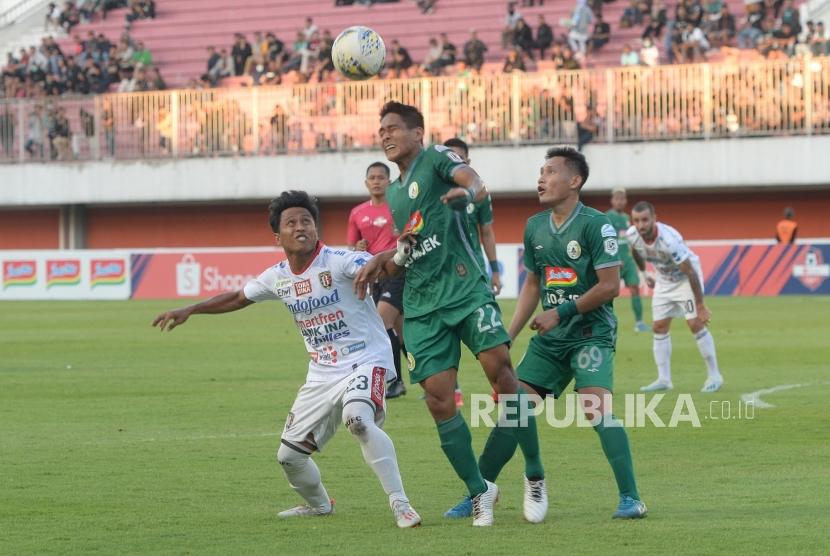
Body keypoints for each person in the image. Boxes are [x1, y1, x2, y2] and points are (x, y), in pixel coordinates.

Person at [152, 191, 421, 528]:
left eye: (306, 221)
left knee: (358, 419)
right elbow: (237, 298)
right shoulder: (278, 276)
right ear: (278, 236)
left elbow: (380, 267)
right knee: (290, 457)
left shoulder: (338, 261)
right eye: (291, 223)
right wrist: (190, 309)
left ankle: (400, 503)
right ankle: (320, 505)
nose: (300, 227)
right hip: (322, 373)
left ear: (316, 227)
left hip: (366, 359)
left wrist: (401, 252)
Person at [355, 102, 547, 526]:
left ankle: (534, 473)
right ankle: (481, 491)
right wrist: (384, 258)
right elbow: (411, 244)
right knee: (440, 401)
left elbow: (474, 181)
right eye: (380, 130)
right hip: (423, 307)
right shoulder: (393, 193)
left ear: (417, 132)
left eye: (393, 129)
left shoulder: (438, 157)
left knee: (503, 375)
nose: (385, 135)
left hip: (466, 292)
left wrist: (469, 192)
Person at [476, 146, 648, 520]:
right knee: (515, 410)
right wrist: (507, 337)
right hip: (551, 338)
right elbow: (533, 285)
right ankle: (478, 491)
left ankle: (631, 498)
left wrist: (561, 312)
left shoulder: (596, 224)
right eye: (541, 171)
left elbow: (610, 286)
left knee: (595, 407)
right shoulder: (534, 226)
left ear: (575, 181)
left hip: (590, 332)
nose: (541, 178)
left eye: (551, 171)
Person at [627, 201, 724, 393]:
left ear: (654, 218)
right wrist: (644, 273)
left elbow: (690, 272)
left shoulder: (669, 241)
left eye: (645, 220)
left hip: (685, 279)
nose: (641, 225)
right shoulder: (632, 235)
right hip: (664, 280)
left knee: (695, 323)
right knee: (659, 326)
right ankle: (664, 380)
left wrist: (701, 305)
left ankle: (715, 376)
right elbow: (635, 251)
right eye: (636, 221)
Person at [347, 162, 408, 399]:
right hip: (375, 275)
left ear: (388, 181)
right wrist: (358, 247)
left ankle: (395, 382)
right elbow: (352, 247)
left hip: (399, 271)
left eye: (381, 177)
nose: (376, 181)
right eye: (371, 177)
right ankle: (430, 377)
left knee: (382, 323)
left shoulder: (398, 208)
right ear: (366, 183)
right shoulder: (357, 213)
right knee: (401, 336)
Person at [606, 188, 648, 332]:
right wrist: (614, 258)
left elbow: (629, 239)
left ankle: (639, 323)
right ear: (612, 201)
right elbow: (607, 240)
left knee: (635, 288)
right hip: (614, 261)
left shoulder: (626, 217)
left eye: (622, 199)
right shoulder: (608, 217)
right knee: (608, 294)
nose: (620, 201)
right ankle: (606, 324)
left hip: (628, 260)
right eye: (617, 199)